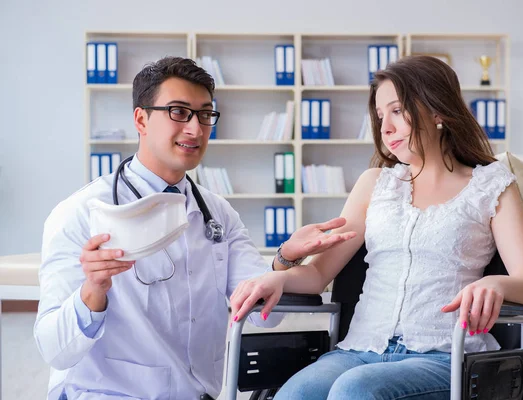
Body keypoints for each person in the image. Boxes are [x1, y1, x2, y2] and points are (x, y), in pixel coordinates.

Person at [229, 55, 523, 400]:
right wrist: (279, 274)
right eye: (381, 116)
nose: (384, 128)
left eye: (397, 111)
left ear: (438, 110)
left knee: (355, 391)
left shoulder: (491, 186)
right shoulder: (374, 184)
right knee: (296, 394)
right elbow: (318, 275)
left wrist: (495, 283)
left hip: (445, 356)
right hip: (359, 349)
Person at [34, 56, 355, 400]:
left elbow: (263, 316)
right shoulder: (82, 213)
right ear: (141, 119)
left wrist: (285, 259)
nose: (195, 128)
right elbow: (54, 349)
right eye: (178, 111)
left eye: (205, 114)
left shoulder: (218, 214)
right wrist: (93, 291)